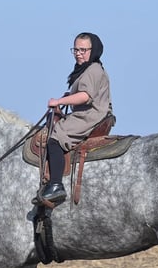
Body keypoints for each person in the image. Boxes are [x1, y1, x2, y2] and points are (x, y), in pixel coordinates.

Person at [38, 32, 113, 204]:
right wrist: (68, 97)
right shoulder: (86, 69)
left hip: (91, 114)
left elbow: (85, 96)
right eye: (76, 50)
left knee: (56, 137)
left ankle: (56, 185)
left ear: (93, 50)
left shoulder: (93, 70)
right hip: (86, 112)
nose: (78, 54)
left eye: (83, 50)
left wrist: (59, 101)